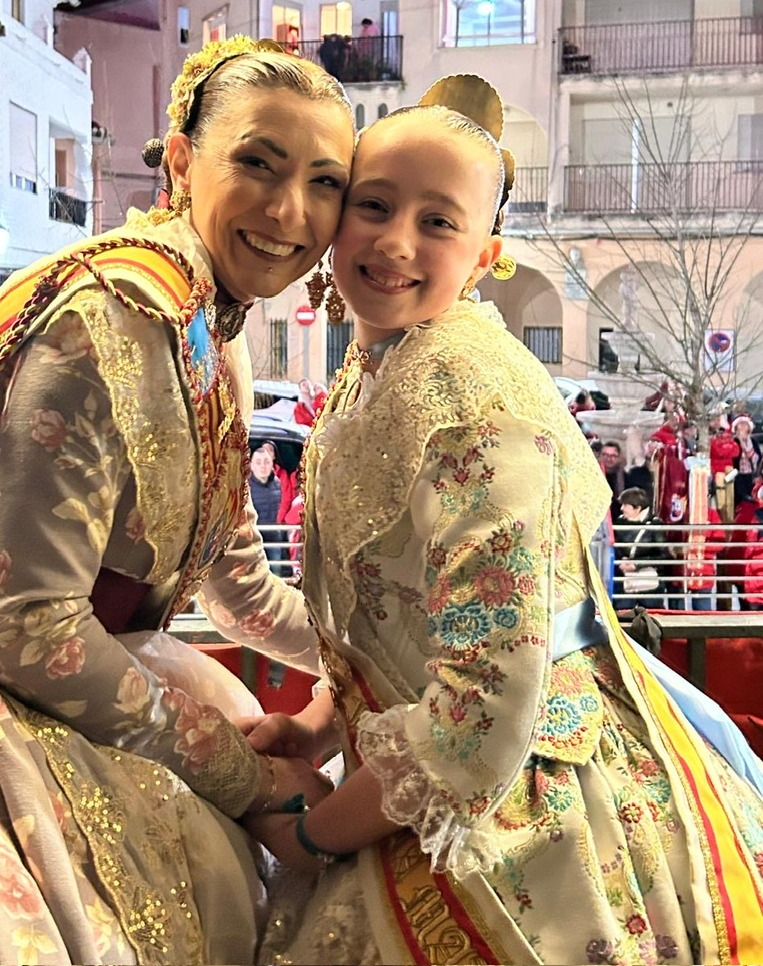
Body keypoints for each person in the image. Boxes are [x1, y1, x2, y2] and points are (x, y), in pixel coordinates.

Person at [0, 35, 354, 965]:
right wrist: (246, 776)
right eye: (257, 164)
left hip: (67, 648)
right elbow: (28, 627)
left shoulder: (214, 333)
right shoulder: (115, 314)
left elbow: (239, 591)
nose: (289, 210)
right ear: (180, 161)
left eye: (324, 182)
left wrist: (386, 656)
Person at [240, 74, 763, 966]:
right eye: (375, 205)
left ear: (484, 256)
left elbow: (483, 707)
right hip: (415, 775)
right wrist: (322, 722)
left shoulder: (472, 399)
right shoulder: (382, 365)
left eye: (438, 222)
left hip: (516, 807)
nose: (395, 242)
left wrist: (313, 835)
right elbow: (403, 619)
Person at [613, 485, 667, 615]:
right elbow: (616, 545)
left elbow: (664, 555)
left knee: (652, 616)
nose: (622, 508)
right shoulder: (621, 521)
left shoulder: (655, 524)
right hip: (625, 580)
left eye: (626, 505)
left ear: (637, 508)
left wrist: (637, 564)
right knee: (623, 614)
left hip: (648, 581)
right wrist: (622, 559)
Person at [251, 444, 288, 577]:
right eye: (258, 462)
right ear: (251, 465)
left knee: (276, 574)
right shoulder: (245, 486)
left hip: (273, 537)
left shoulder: (277, 483)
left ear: (272, 464)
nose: (263, 466)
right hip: (253, 540)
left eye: (266, 462)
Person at [599, 438, 625, 519]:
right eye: (605, 455)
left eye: (613, 456)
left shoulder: (627, 477)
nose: (609, 459)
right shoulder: (594, 477)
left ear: (619, 457)